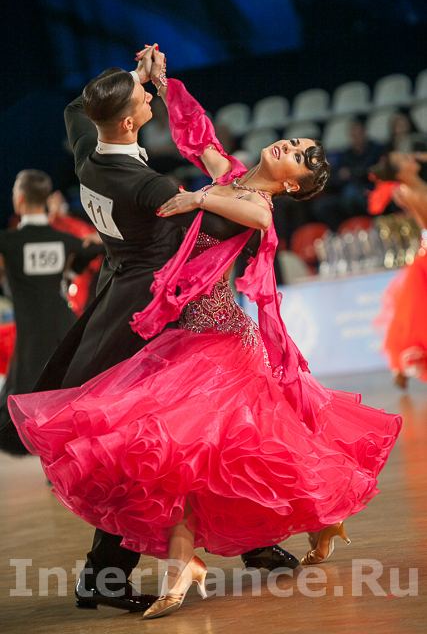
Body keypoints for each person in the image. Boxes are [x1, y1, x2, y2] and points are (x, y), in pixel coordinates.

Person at [9, 51, 401, 621]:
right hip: (182, 329)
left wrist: (196, 197)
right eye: (292, 142)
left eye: (297, 155)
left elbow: (259, 219)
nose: (287, 146)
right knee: (202, 452)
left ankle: (249, 541)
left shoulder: (254, 202)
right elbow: (199, 139)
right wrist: (162, 85)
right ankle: (255, 543)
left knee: (211, 451)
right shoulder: (229, 176)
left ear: (293, 184)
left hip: (218, 339)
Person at [24, 45, 298, 613]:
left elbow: (78, 107)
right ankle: (105, 576)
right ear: (128, 122)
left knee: (211, 431)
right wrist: (229, 192)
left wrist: (135, 76)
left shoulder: (87, 149)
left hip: (126, 295)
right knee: (153, 447)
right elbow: (220, 215)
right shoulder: (146, 186)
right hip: (150, 317)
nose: (150, 97)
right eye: (143, 97)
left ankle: (252, 542)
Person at [0, 170, 103, 455]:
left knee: (26, 391)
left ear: (20, 200)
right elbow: (96, 248)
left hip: (30, 331)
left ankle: (35, 443)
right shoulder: (65, 241)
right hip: (62, 326)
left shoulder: (8, 243)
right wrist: (72, 270)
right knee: (64, 391)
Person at [370, 152, 427, 388]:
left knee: (415, 312)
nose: (411, 158)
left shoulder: (409, 188)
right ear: (402, 173)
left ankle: (403, 362)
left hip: (424, 250)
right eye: (405, 159)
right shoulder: (412, 191)